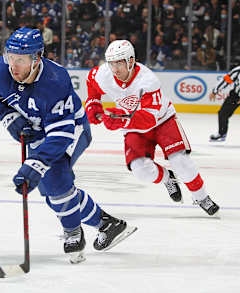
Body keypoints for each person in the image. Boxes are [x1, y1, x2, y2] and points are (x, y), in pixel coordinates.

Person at [0, 28, 136, 264]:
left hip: (72, 129)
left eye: (20, 60)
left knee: (55, 179)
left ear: (36, 59)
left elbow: (60, 136)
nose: (13, 65)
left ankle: (74, 233)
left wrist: (34, 165)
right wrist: (10, 118)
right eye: (10, 57)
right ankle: (108, 224)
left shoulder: (55, 82)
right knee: (51, 194)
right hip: (39, 131)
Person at [85, 40, 219, 216]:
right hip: (133, 126)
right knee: (140, 171)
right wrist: (93, 104)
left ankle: (201, 197)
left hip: (163, 120)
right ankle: (167, 177)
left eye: (119, 63)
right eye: (111, 63)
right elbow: (91, 83)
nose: (115, 69)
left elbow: (148, 119)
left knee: (181, 162)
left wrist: (120, 118)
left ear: (131, 61)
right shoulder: (103, 74)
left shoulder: (148, 81)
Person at [208, 65, 240, 142]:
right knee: (223, 113)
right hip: (236, 96)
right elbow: (225, 81)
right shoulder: (238, 70)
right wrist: (215, 91)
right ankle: (221, 134)